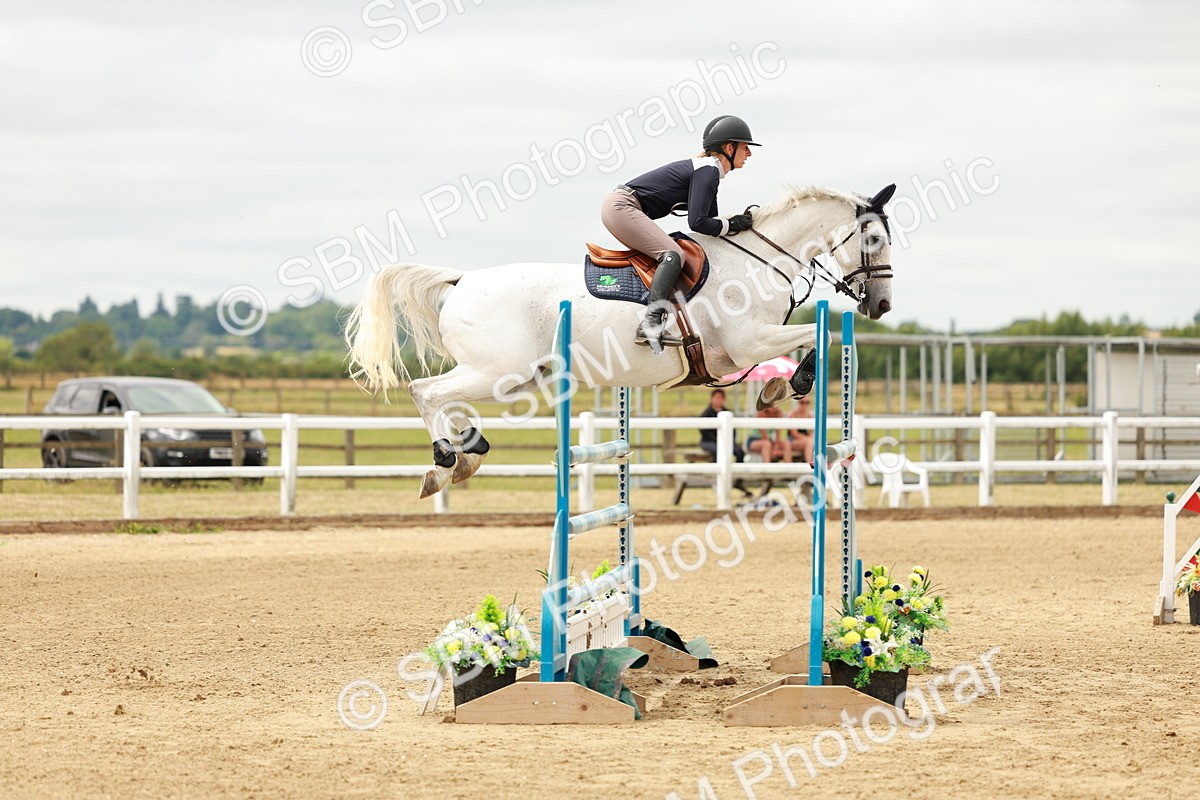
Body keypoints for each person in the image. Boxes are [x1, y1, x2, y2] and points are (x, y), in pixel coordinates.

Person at [599, 115, 761, 354]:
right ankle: (651, 323)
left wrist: (734, 224)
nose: (749, 154)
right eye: (745, 147)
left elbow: (711, 225)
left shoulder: (709, 171)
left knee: (676, 250)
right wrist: (734, 223)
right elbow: (698, 223)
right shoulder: (708, 170)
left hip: (621, 206)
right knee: (673, 254)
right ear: (729, 148)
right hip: (622, 207)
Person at [789, 396, 815, 464]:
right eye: (802, 402)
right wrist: (808, 439)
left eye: (807, 402)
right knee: (810, 443)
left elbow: (811, 432)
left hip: (805, 441)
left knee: (815, 443)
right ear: (798, 403)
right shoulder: (793, 414)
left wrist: (809, 438)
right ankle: (809, 464)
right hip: (793, 440)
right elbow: (794, 433)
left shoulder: (810, 415)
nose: (804, 404)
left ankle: (817, 465)